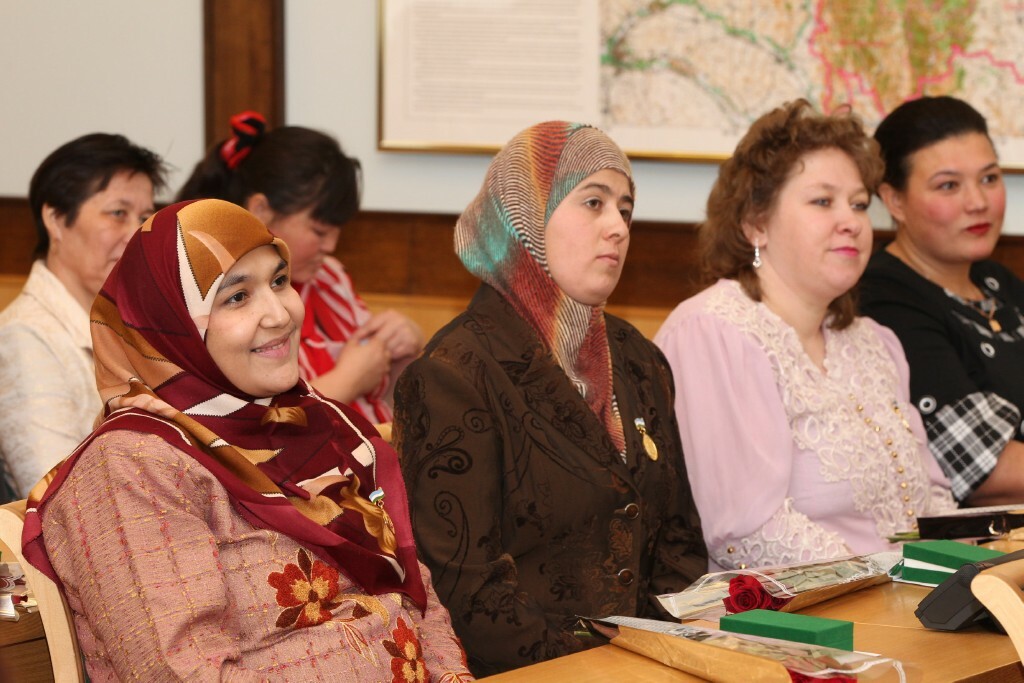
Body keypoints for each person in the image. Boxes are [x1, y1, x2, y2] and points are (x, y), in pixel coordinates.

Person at [20, 199, 472, 681]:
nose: (279, 314)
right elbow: (181, 674)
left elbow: (418, 599)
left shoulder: (314, 424)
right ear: (170, 326)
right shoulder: (132, 466)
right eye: (237, 297)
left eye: (279, 281)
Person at [392, 121, 707, 676]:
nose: (618, 227)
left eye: (626, 209)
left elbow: (679, 541)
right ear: (524, 218)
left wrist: (665, 654)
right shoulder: (452, 375)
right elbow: (469, 593)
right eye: (593, 202)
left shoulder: (639, 358)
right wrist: (607, 670)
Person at [655, 100, 956, 572]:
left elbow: (929, 500)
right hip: (792, 611)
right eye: (822, 201)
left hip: (906, 597)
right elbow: (745, 532)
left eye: (859, 204)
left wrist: (958, 569)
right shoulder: (712, 332)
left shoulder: (876, 342)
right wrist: (885, 585)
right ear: (757, 224)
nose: (851, 221)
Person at [177, 112, 423, 424]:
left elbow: (383, 399)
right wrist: (349, 380)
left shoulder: (329, 276)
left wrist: (403, 349)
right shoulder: (216, 299)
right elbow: (251, 428)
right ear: (261, 211)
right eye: (319, 231)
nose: (331, 246)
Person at [860, 96, 1024, 507]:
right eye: (949, 185)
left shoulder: (997, 281)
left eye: (989, 178)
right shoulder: (883, 299)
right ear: (894, 201)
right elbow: (984, 469)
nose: (978, 202)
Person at [0, 133, 167, 498]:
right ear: (56, 219)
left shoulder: (135, 321)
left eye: (144, 217)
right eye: (118, 213)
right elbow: (51, 495)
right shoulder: (24, 337)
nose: (136, 234)